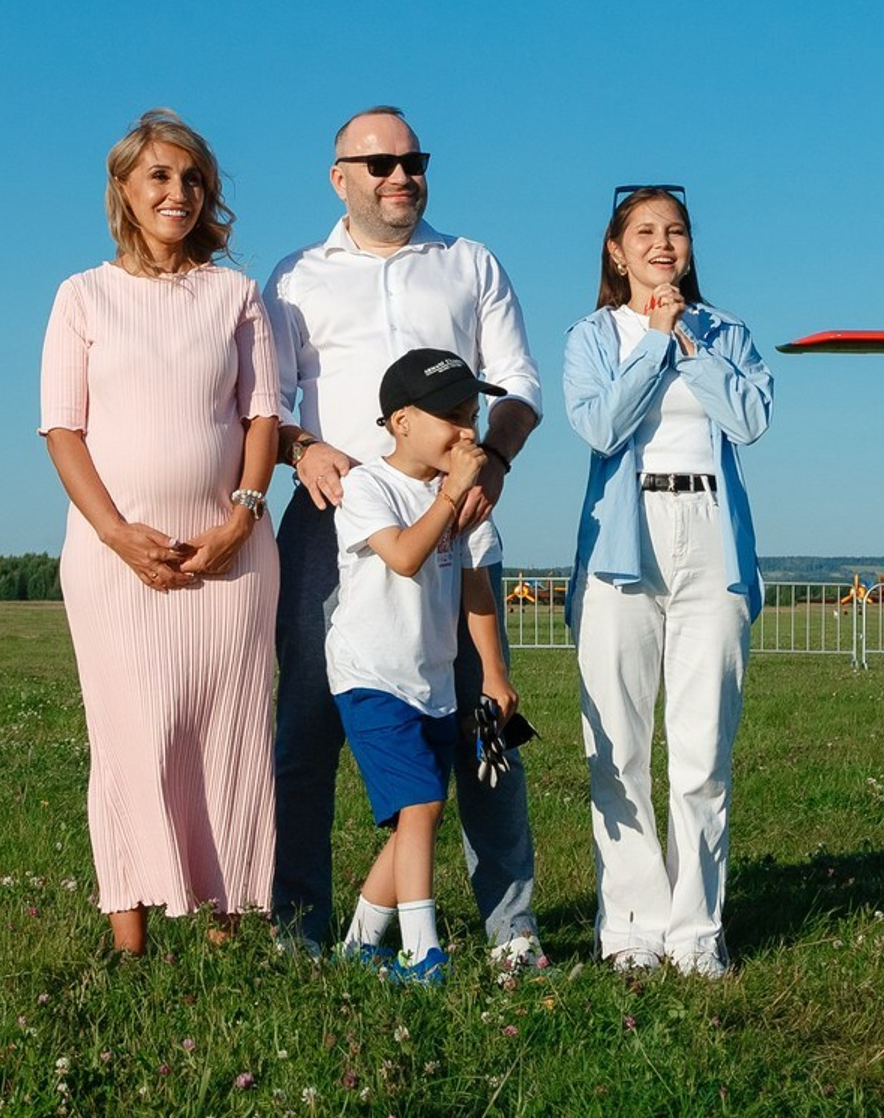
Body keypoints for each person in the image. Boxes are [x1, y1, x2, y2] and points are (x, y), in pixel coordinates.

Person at [264, 106, 544, 965]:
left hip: (457, 520)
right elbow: (266, 408)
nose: (401, 177)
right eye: (379, 163)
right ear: (338, 175)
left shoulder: (470, 263)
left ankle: (511, 930)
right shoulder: (294, 276)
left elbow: (520, 386)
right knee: (308, 728)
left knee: (481, 724)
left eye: (413, 161)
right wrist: (302, 446)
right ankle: (301, 927)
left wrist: (491, 460)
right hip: (334, 525)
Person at [38, 109, 280, 955]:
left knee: (230, 732)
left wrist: (240, 521)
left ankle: (227, 927)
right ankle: (130, 940)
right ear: (124, 192)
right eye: (159, 178)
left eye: (192, 179)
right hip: (114, 563)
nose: (178, 193)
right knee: (132, 736)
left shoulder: (237, 296)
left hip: (234, 559)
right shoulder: (81, 295)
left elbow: (261, 416)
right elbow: (62, 430)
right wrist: (115, 535)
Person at [564, 185, 773, 977]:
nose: (662, 244)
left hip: (710, 539)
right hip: (623, 543)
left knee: (702, 749)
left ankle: (696, 933)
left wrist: (690, 341)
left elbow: (750, 419)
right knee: (615, 748)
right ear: (616, 252)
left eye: (675, 231)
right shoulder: (593, 335)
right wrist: (651, 340)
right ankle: (630, 930)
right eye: (644, 232)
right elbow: (599, 425)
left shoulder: (726, 332)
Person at [328, 349, 519, 985]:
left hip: (432, 682)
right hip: (371, 675)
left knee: (420, 811)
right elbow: (407, 556)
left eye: (473, 416)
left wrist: (492, 674)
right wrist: (450, 497)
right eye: (452, 417)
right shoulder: (367, 487)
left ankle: (359, 942)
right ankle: (421, 951)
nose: (468, 432)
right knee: (422, 805)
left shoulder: (465, 501)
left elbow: (476, 590)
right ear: (401, 421)